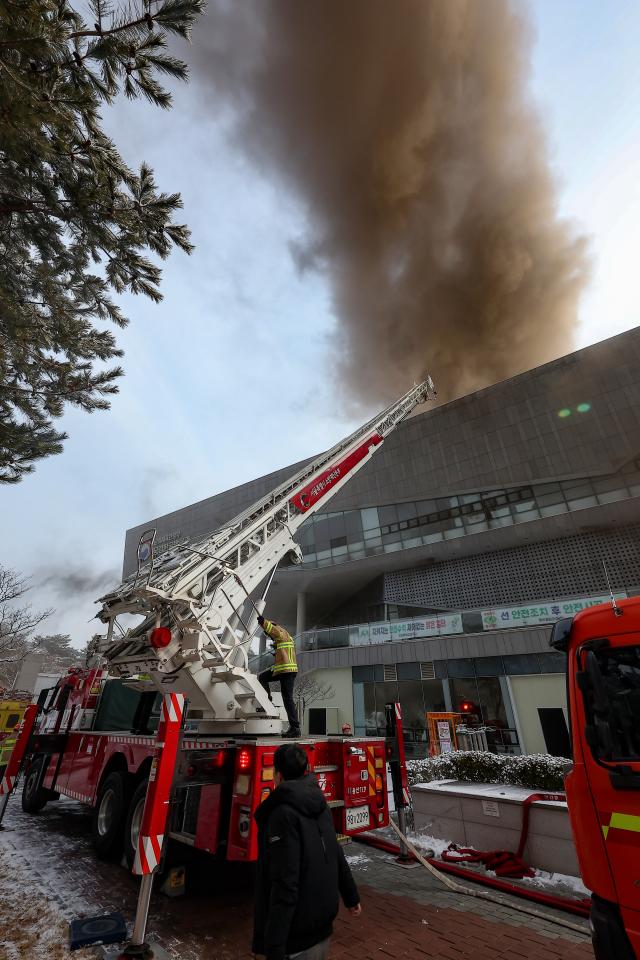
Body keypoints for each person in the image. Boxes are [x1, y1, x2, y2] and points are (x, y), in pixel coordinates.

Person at [252, 743, 361, 960]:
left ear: (278, 776)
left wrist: (272, 947)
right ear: (306, 770)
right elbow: (335, 850)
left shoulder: (282, 815)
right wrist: (351, 896)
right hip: (320, 924)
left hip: (296, 937)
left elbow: (285, 882)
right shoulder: (319, 803)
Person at [257, 615, 300, 738]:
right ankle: (267, 700)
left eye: (269, 634)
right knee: (263, 677)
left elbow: (274, 631)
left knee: (288, 699)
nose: (270, 637)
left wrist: (263, 623)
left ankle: (295, 728)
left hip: (287, 671)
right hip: (283, 670)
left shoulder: (281, 632)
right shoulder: (283, 638)